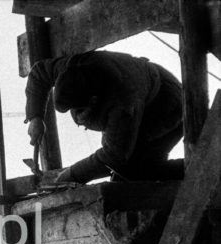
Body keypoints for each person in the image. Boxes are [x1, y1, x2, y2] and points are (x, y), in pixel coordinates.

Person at [25, 50, 184, 184]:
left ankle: (199, 171)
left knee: (135, 172)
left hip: (167, 104)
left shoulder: (123, 101)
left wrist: (71, 175)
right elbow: (39, 73)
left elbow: (114, 155)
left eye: (78, 109)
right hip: (141, 90)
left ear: (93, 100)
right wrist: (35, 117)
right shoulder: (71, 69)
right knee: (127, 173)